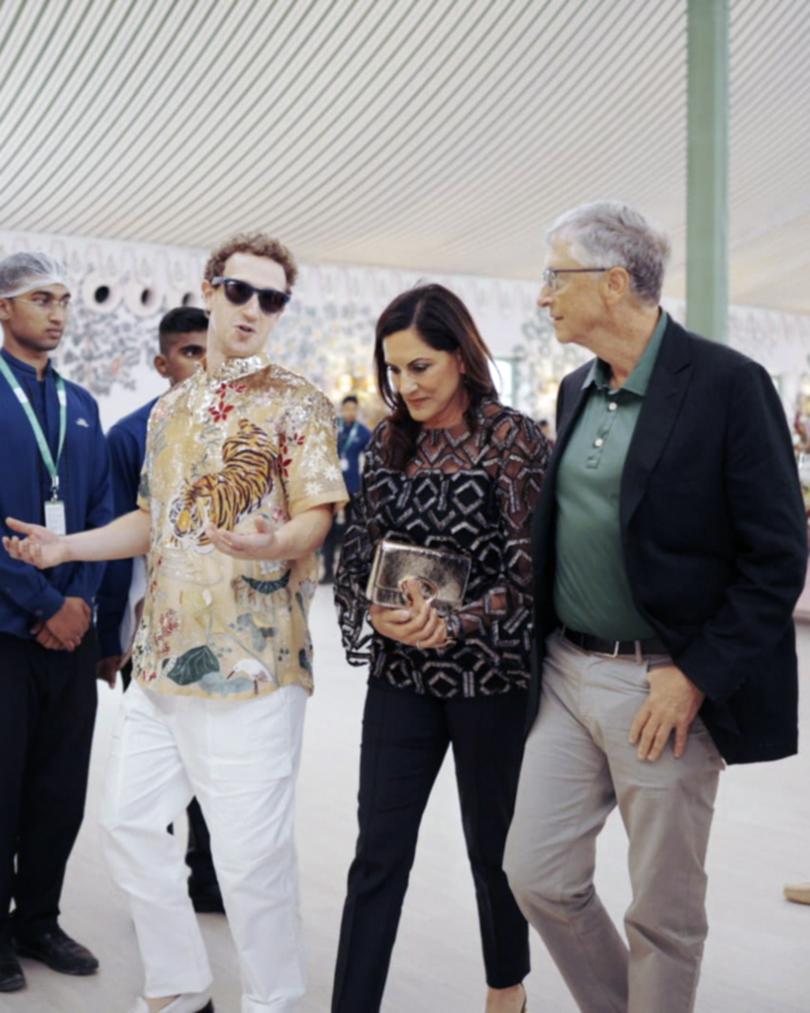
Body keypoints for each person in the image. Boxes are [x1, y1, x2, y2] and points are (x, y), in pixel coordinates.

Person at [5, 233, 348, 1013]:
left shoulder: (298, 400)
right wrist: (65, 548)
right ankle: (181, 988)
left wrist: (277, 539)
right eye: (240, 291)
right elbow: (152, 521)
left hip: (254, 665)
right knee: (128, 825)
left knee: (252, 856)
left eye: (273, 298)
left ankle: (272, 1000)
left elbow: (317, 516)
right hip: (159, 663)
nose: (254, 308)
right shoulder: (168, 412)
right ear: (211, 291)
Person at [503, 201, 808, 1013]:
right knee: (535, 873)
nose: (542, 297)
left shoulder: (729, 385)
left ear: (613, 282)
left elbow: (778, 556)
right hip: (568, 671)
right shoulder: (576, 388)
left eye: (554, 277)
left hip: (665, 689)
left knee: (663, 914)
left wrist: (697, 674)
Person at [332, 283, 549, 1013]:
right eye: (393, 370)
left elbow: (534, 578)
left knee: (493, 850)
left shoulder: (512, 438)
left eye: (420, 367)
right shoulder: (388, 442)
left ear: (460, 355)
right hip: (401, 675)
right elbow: (358, 549)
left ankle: (505, 990)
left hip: (491, 678)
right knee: (377, 853)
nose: (405, 385)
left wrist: (456, 621)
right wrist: (377, 610)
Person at [0, 253, 112, 993]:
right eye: (42, 299)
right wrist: (43, 605)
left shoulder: (81, 403)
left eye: (66, 300)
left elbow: (105, 514)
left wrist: (80, 603)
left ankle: (38, 916)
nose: (59, 313)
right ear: (4, 308)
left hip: (72, 634)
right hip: (7, 633)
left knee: (59, 787)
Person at [95, 306, 223, 914]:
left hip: (219, 622)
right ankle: (159, 894)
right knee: (152, 765)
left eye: (209, 350)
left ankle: (209, 876)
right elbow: (123, 536)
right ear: (162, 361)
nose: (202, 363)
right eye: (190, 352)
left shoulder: (234, 425)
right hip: (149, 622)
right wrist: (113, 632)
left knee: (210, 753)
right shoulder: (129, 434)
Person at [320, 395, 371, 583]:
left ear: (357, 411)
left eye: (353, 409)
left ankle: (350, 573)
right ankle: (327, 571)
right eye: (347, 409)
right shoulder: (331, 428)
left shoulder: (363, 432)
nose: (350, 412)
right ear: (341, 410)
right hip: (331, 486)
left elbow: (371, 457)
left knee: (353, 530)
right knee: (329, 530)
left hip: (352, 486)